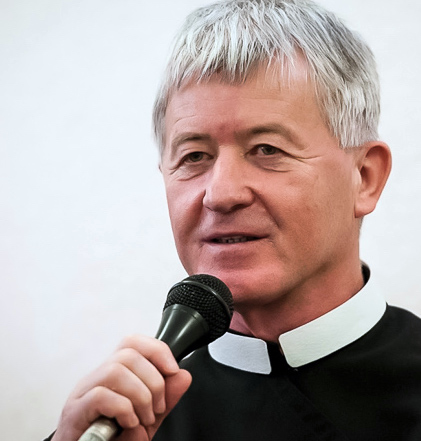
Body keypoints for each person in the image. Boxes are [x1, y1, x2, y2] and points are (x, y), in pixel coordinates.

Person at [45, 0, 421, 440]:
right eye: (194, 156)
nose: (221, 194)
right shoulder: (125, 425)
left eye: (267, 149)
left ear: (364, 178)